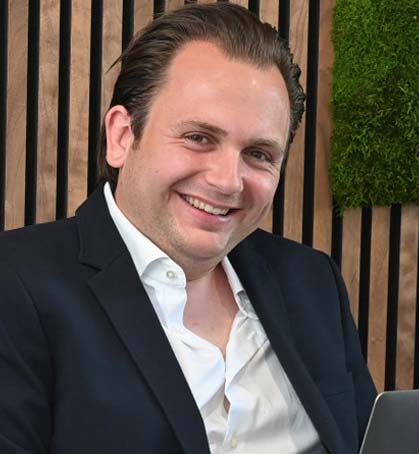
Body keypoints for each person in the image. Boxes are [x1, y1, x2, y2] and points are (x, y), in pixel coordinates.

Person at [0, 3, 376, 454]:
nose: (228, 181)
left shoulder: (313, 281)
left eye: (258, 154)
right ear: (122, 136)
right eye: (199, 138)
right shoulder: (15, 284)